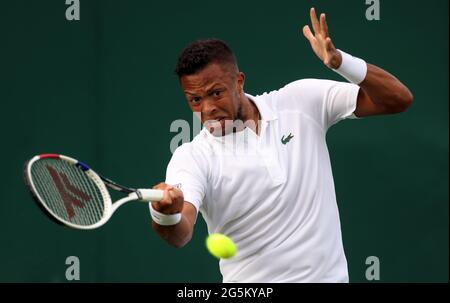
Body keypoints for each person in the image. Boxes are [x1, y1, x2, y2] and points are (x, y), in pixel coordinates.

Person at [148, 8, 413, 282]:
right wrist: (165, 213)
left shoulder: (300, 101)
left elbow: (397, 100)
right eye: (194, 100)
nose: (208, 108)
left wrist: (340, 63)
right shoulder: (192, 157)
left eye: (216, 93)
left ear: (239, 82)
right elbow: (180, 234)